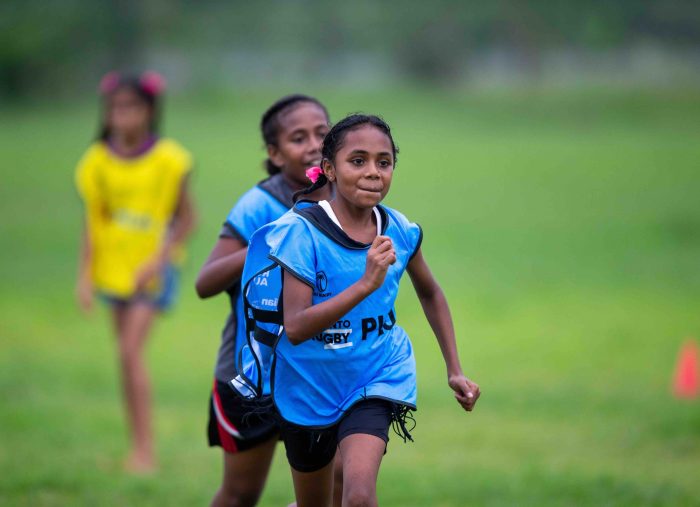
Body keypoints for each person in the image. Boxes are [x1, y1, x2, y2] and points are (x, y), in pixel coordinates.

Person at [242, 114, 480, 507]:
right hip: (306, 384)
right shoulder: (300, 234)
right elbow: (297, 327)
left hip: (375, 375)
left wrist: (454, 368)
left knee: (358, 497)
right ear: (330, 169)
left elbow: (431, 293)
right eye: (358, 161)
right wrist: (365, 285)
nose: (373, 172)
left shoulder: (399, 229)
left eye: (383, 163)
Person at [195, 95, 335, 506]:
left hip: (320, 370)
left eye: (322, 133)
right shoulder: (260, 206)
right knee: (240, 495)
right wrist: (273, 238)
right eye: (298, 137)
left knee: (342, 483)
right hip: (254, 373)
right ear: (275, 155)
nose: (313, 144)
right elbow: (205, 283)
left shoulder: (345, 198)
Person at [74, 71, 196, 473]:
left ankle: (146, 452)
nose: (121, 115)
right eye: (115, 108)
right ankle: (136, 447)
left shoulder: (169, 159)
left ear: (149, 111)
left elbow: (187, 220)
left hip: (154, 273)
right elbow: (94, 222)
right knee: (124, 359)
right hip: (114, 271)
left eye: (131, 107)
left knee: (130, 352)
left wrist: (159, 259)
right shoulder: (96, 161)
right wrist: (85, 277)